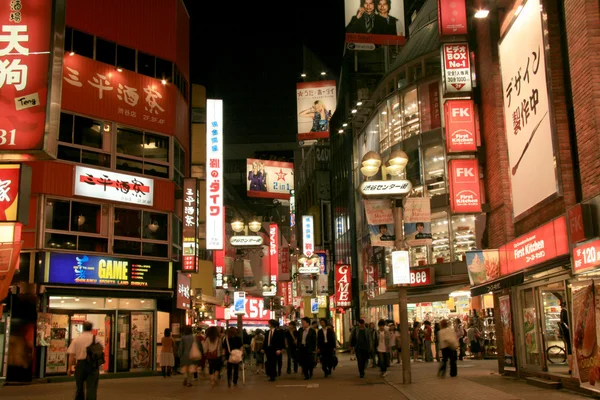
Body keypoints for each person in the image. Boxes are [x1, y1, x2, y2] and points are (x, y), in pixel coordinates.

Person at [67, 321, 103, 400]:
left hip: (80, 365)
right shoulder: (96, 338)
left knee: (79, 387)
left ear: (83, 328)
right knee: (92, 388)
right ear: (91, 328)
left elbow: (71, 355)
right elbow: (102, 349)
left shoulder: (76, 339)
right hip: (93, 365)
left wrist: (69, 368)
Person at [559, 301, 573, 374]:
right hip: (568, 333)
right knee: (570, 349)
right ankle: (571, 367)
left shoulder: (562, 312)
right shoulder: (565, 312)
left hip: (566, 333)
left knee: (569, 348)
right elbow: (567, 323)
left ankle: (570, 367)